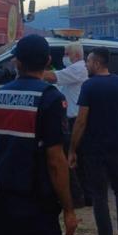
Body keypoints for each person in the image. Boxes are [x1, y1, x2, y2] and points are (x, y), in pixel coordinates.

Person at [0, 34, 78, 235]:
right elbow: (55, 161)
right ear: (48, 61)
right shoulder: (50, 98)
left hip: (2, 204)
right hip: (38, 210)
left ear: (18, 62)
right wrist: (69, 210)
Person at [68, 47, 118, 235]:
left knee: (100, 197)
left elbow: (81, 121)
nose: (86, 65)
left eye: (88, 62)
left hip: (94, 151)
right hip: (117, 148)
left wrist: (72, 149)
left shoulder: (89, 86)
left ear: (97, 63)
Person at [43, 42, 89, 206]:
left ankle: (79, 197)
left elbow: (52, 77)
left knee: (71, 158)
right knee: (76, 159)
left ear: (75, 56)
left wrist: (31, 71)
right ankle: (82, 195)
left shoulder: (77, 69)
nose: (64, 57)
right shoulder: (73, 70)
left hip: (74, 120)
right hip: (71, 119)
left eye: (66, 54)